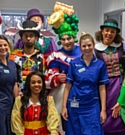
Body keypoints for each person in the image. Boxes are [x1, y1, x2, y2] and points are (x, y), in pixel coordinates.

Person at [61, 32, 109, 135]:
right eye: (84, 46)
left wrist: (103, 110)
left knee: (94, 131)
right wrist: (64, 107)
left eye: (89, 45)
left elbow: (102, 88)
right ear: (80, 47)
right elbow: (67, 86)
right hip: (75, 105)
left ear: (93, 45)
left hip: (92, 106)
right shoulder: (74, 63)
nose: (87, 48)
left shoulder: (100, 65)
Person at [45, 2, 81, 132]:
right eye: (63, 39)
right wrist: (57, 78)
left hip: (82, 92)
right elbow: (47, 80)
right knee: (62, 125)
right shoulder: (55, 56)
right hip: (61, 94)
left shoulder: (84, 52)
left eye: (69, 38)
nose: (66, 41)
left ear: (74, 37)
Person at [94, 18, 125, 135]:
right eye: (107, 30)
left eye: (112, 31)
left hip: (120, 85)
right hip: (103, 87)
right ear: (102, 32)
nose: (109, 33)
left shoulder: (123, 47)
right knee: (104, 114)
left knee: (120, 114)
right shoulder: (95, 49)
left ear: (116, 34)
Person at [11, 71, 60, 135]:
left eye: (39, 82)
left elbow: (53, 120)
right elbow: (16, 121)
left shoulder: (48, 100)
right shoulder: (20, 100)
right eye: (33, 82)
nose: (36, 85)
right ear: (29, 84)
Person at [9, 20, 44, 95]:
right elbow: (11, 80)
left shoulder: (41, 57)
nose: (28, 38)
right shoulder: (13, 56)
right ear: (22, 37)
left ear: (36, 38)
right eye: (26, 36)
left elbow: (44, 78)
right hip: (18, 96)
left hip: (37, 97)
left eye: (31, 36)